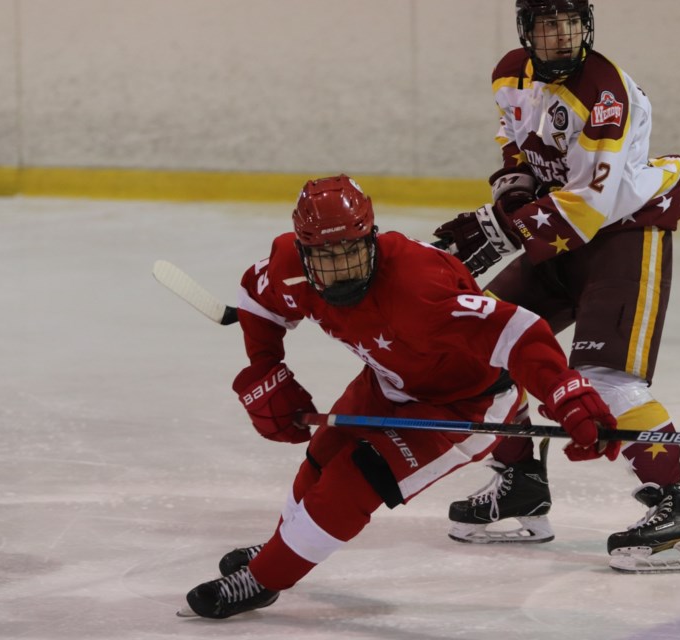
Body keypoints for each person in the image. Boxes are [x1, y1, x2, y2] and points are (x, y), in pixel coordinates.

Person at [181, 174, 621, 618]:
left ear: (369, 238)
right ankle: (285, 546)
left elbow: (519, 332)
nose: (342, 268)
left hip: (464, 402)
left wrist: (567, 394)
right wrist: (266, 367)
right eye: (326, 255)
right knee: (321, 458)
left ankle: (263, 579)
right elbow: (258, 301)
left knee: (354, 480)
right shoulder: (288, 266)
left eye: (351, 251)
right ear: (302, 249)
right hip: (387, 382)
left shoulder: (418, 285)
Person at [432, 0, 680, 573]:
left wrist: (500, 227)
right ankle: (520, 484)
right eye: (545, 24)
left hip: (625, 234)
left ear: (586, 26)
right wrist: (513, 194)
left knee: (603, 379)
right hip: (557, 238)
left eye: (568, 22)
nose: (558, 34)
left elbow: (594, 204)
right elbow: (519, 146)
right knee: (479, 343)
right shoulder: (511, 72)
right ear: (525, 30)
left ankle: (678, 511)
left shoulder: (604, 94)